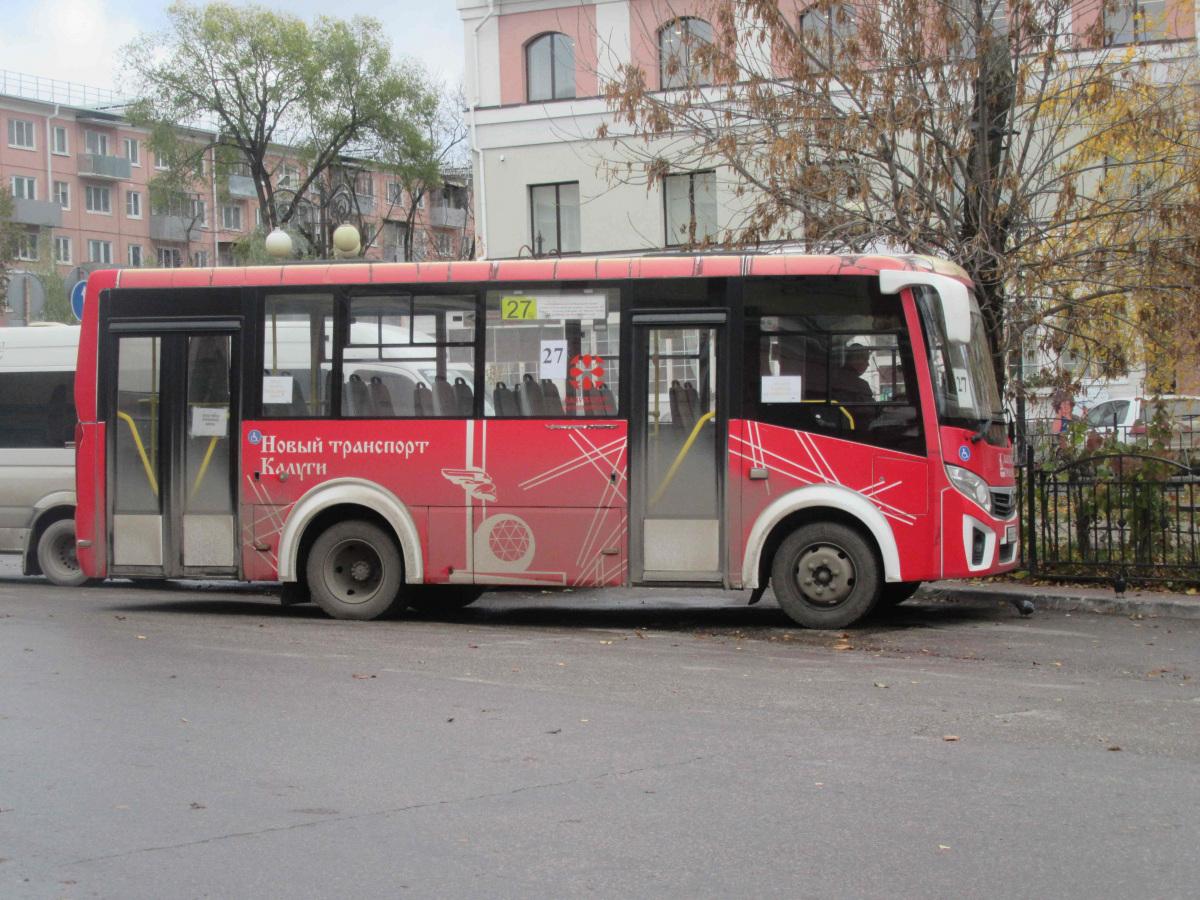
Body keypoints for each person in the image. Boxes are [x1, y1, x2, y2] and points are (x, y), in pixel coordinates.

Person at [831, 342, 875, 428]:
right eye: (866, 360)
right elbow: (869, 414)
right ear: (856, 359)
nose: (868, 364)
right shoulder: (861, 385)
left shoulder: (833, 378)